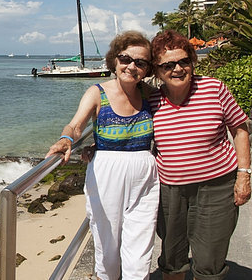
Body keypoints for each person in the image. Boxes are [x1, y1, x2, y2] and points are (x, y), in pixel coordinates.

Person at [46, 31, 159, 280]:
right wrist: (66, 140)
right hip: (107, 173)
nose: (131, 66)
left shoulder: (150, 95)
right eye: (125, 58)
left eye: (140, 62)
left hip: (146, 175)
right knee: (107, 243)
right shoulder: (97, 92)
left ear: (148, 68)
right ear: (114, 60)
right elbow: (76, 125)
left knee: (141, 244)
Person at [149, 30, 251, 280]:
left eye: (184, 61)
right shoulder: (151, 99)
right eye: (168, 64)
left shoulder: (214, 88)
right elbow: (124, 124)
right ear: (156, 70)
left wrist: (244, 175)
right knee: (172, 258)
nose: (178, 69)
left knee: (210, 258)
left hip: (217, 187)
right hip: (170, 190)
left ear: (192, 61)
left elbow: (239, 130)